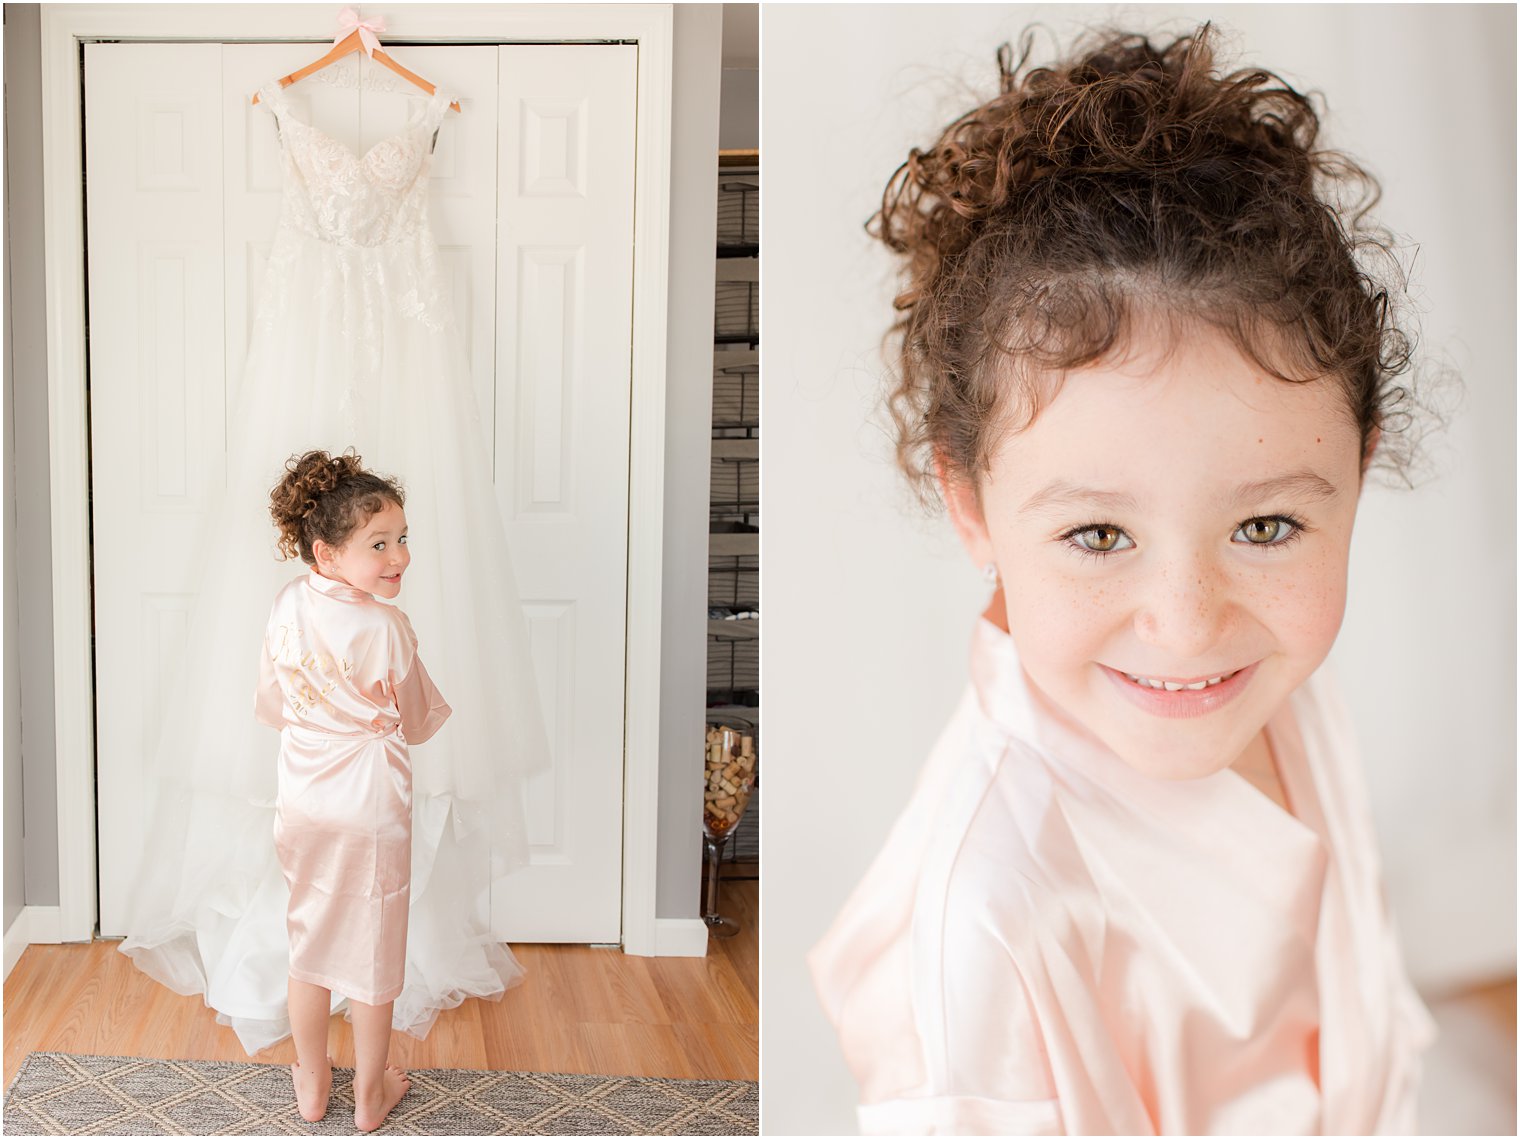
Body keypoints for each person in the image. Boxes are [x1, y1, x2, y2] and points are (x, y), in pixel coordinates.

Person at [809, 25, 1436, 1135]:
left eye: (1267, 523)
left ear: (1359, 462)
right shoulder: (978, 936)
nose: (1189, 624)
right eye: (1098, 534)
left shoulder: (1276, 684)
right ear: (970, 505)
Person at [258, 448, 462, 1131]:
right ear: (327, 550)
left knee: (308, 937)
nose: (398, 556)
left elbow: (273, 702)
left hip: (304, 797)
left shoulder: (286, 605)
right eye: (379, 544)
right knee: (373, 945)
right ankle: (369, 1094)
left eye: (403, 538)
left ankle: (312, 1083)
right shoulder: (385, 626)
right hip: (368, 801)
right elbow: (421, 716)